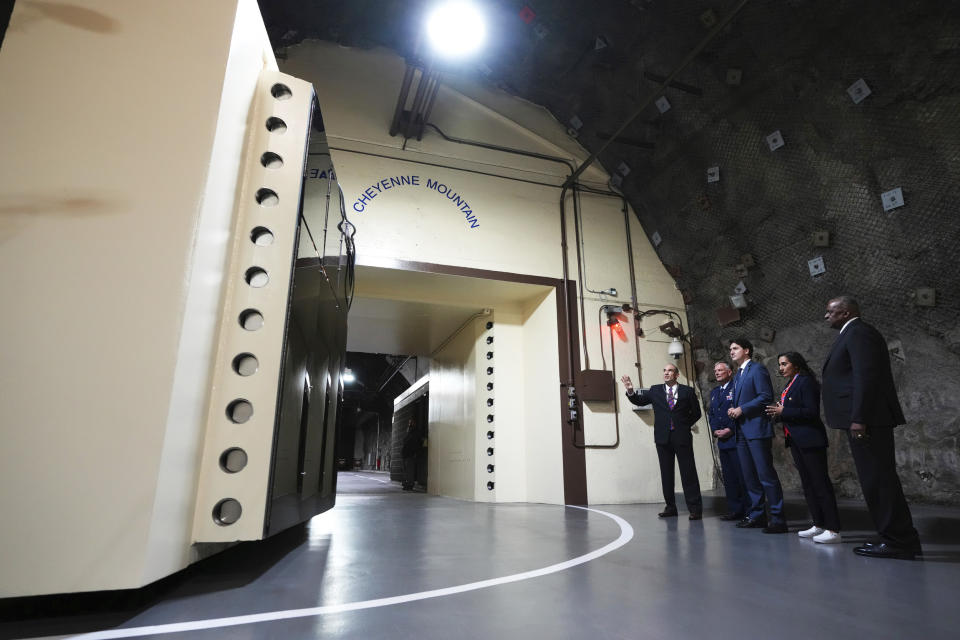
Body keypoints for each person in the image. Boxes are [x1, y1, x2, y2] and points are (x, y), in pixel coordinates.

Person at [822, 296, 921, 559]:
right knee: (875, 480)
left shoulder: (858, 333)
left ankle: (898, 540)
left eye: (830, 312)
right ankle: (892, 535)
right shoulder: (853, 333)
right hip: (866, 420)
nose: (826, 316)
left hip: (869, 421)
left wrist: (859, 417)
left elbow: (865, 377)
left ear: (844, 313)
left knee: (879, 480)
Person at [765, 352, 842, 543]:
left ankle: (833, 529)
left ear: (796, 364)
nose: (781, 368)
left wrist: (784, 411)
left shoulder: (806, 382)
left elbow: (811, 411)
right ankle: (818, 524)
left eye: (784, 364)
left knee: (820, 483)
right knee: (808, 483)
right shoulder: (791, 383)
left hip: (810, 439)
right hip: (797, 440)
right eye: (780, 364)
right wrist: (778, 413)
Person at [622, 364, 703, 520]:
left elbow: (697, 412)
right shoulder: (655, 390)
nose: (666, 373)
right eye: (664, 370)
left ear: (677, 374)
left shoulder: (688, 391)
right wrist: (630, 390)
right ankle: (670, 507)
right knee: (666, 473)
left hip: (681, 437)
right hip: (662, 437)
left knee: (689, 473)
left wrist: (684, 425)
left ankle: (695, 509)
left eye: (670, 370)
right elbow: (639, 401)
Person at [726, 337, 788, 533]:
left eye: (735, 348)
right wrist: (734, 409)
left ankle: (778, 519)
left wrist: (742, 409)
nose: (731, 351)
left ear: (747, 350)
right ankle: (757, 515)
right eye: (730, 349)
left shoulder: (757, 369)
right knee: (749, 477)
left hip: (756, 429)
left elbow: (765, 397)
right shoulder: (737, 375)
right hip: (741, 431)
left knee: (765, 475)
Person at [708, 362, 749, 521]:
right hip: (722, 441)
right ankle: (735, 509)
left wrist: (730, 429)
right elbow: (712, 414)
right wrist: (715, 429)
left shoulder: (736, 388)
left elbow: (740, 410)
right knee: (730, 478)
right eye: (715, 370)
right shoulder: (715, 392)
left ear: (729, 372)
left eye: (720, 370)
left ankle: (749, 510)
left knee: (742, 476)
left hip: (736, 437)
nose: (717, 373)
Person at [401, 418, 421, 491]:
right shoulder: (409, 432)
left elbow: (416, 444)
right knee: (406, 471)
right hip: (406, 454)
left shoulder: (415, 432)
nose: (409, 424)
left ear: (414, 423)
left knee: (409, 471)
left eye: (411, 422)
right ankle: (406, 484)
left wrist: (415, 453)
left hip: (410, 454)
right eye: (409, 422)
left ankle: (409, 485)